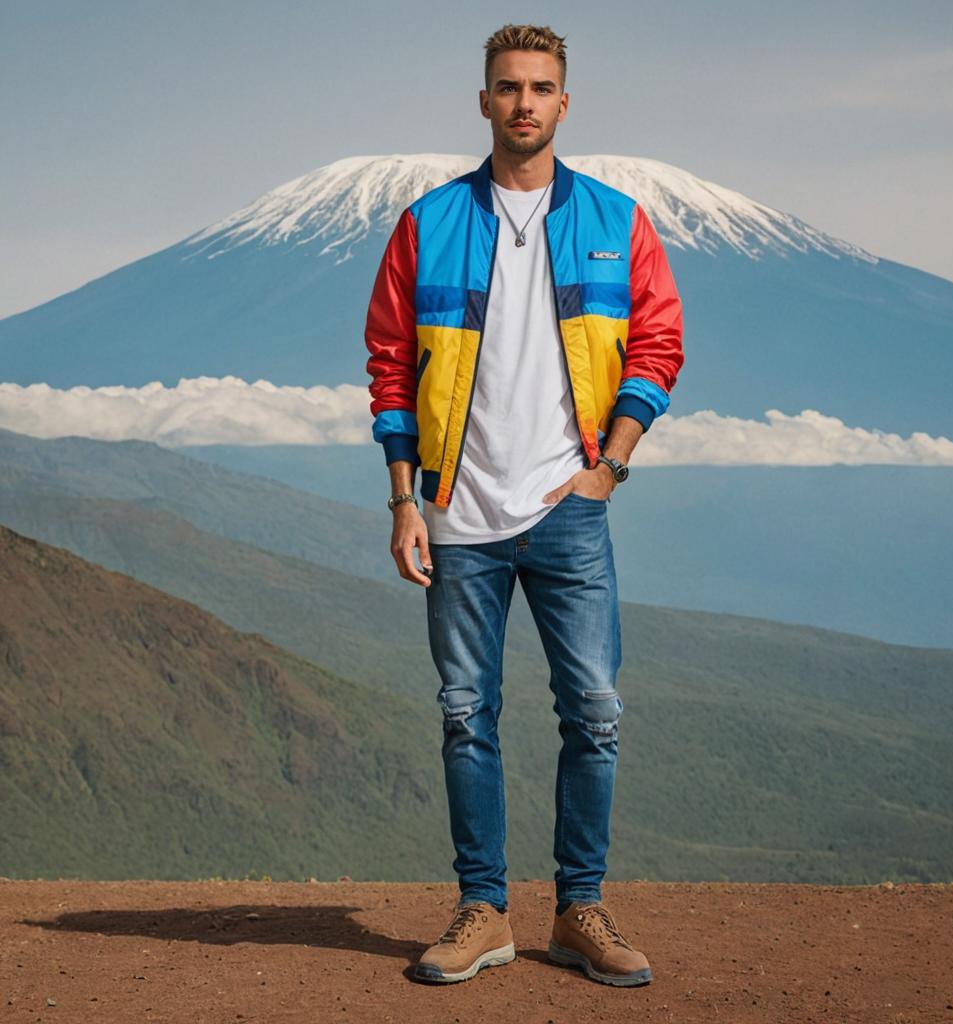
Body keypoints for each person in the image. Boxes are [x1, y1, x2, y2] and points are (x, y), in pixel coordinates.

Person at [363, 23, 683, 987]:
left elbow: (657, 346)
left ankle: (579, 909)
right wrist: (404, 501)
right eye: (508, 87)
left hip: (569, 509)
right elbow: (389, 367)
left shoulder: (617, 221)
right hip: (457, 514)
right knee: (468, 714)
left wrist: (608, 468)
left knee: (593, 711)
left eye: (541, 87)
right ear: (484, 101)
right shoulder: (427, 224)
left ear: (565, 103)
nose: (525, 103)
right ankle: (484, 911)